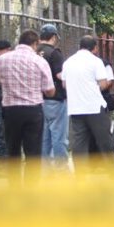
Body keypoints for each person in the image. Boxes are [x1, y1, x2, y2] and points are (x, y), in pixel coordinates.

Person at [0, 30, 57, 160]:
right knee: (33, 152)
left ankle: (14, 180)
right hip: (33, 110)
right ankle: (31, 180)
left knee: (12, 150)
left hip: (10, 110)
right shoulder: (39, 61)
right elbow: (49, 90)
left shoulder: (2, 59)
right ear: (35, 44)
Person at [61, 35, 114, 169]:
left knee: (79, 142)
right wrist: (92, 88)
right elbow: (104, 83)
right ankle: (113, 169)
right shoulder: (95, 61)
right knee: (104, 139)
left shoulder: (68, 62)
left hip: (75, 108)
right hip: (94, 107)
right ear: (95, 48)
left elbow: (64, 84)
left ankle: (81, 172)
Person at [35, 24, 69, 164]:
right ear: (54, 37)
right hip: (55, 99)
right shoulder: (54, 53)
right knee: (59, 135)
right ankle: (61, 168)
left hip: (37, 99)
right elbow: (60, 75)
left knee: (44, 136)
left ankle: (45, 168)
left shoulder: (34, 52)